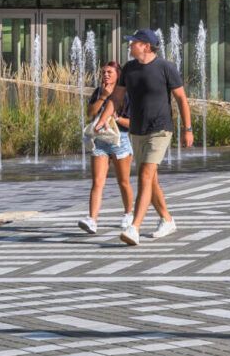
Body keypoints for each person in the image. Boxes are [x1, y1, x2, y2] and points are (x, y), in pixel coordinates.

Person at [99, 28, 192, 246]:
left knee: (145, 175)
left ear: (146, 46)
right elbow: (116, 98)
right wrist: (103, 119)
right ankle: (167, 219)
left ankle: (135, 227)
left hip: (160, 129)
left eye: (133, 43)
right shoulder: (129, 69)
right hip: (137, 130)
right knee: (151, 179)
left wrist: (187, 129)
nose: (129, 46)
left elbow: (181, 100)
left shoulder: (166, 68)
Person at [77, 61, 134, 235]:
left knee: (123, 181)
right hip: (100, 140)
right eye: (103, 72)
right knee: (97, 182)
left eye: (109, 72)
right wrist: (102, 97)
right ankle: (92, 219)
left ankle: (128, 213)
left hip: (119, 140)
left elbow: (131, 123)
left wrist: (115, 118)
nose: (105, 75)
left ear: (118, 74)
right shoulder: (99, 91)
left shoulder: (126, 94)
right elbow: (90, 114)